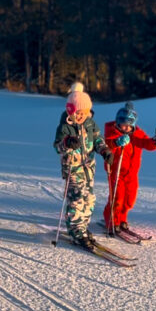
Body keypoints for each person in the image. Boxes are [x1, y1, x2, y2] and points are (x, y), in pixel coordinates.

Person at [53, 83, 112, 250]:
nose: (79, 116)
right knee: (77, 200)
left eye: (83, 113)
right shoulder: (65, 126)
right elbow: (57, 147)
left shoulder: (90, 124)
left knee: (89, 199)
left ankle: (83, 227)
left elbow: (98, 139)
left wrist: (104, 150)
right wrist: (67, 142)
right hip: (73, 168)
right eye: (76, 113)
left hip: (88, 168)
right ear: (70, 111)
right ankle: (76, 231)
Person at [102, 102, 156, 234]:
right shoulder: (112, 132)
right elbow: (106, 144)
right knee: (117, 198)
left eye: (128, 125)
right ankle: (112, 221)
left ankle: (122, 219)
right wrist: (116, 142)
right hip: (116, 171)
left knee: (129, 199)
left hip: (132, 173)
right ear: (117, 123)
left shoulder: (137, 134)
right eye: (122, 124)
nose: (125, 128)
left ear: (133, 125)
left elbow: (146, 143)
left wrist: (155, 142)